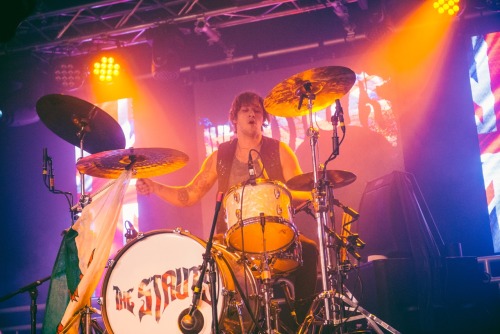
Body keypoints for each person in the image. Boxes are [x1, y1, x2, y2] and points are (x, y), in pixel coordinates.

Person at [136, 91, 319, 331]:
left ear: (263, 117)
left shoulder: (281, 150)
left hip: (276, 236)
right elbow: (189, 194)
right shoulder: (219, 157)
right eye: (245, 110)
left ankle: (300, 325)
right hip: (230, 242)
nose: (252, 113)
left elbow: (298, 190)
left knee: (310, 250)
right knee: (206, 263)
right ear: (234, 118)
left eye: (257, 109)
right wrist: (155, 186)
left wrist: (314, 195)